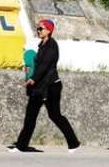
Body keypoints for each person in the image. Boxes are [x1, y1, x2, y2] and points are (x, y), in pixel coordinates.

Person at [8, 19, 80, 153]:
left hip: (51, 87)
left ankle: (73, 143)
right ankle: (21, 146)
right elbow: (38, 64)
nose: (39, 31)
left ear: (49, 30)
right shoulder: (42, 44)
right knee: (30, 116)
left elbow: (45, 66)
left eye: (41, 29)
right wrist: (28, 69)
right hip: (40, 87)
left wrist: (33, 79)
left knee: (55, 115)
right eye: (38, 29)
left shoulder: (52, 46)